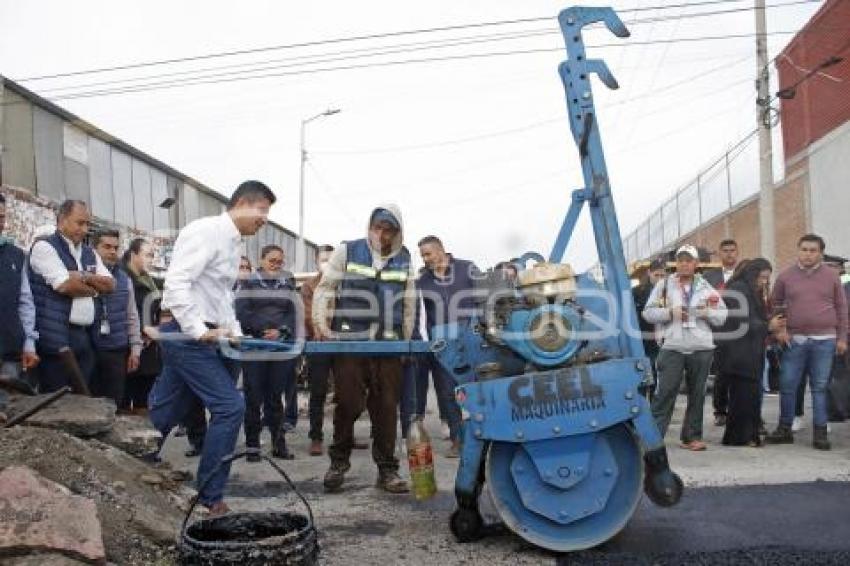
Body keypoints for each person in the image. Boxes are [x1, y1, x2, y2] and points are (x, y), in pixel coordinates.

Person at [148, 180, 276, 515]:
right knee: (230, 407)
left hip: (211, 334)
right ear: (243, 203)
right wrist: (194, 329)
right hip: (189, 335)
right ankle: (209, 496)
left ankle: (132, 462)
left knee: (166, 411)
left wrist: (234, 332)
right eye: (262, 210)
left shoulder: (233, 243)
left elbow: (219, 294)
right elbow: (176, 283)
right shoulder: (205, 231)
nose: (264, 219)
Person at [313, 204, 415, 494]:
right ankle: (338, 464)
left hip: (389, 344)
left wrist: (407, 341)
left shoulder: (405, 258)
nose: (380, 235)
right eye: (377, 228)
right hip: (350, 342)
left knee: (386, 408)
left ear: (396, 233)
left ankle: (387, 471)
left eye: (388, 230)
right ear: (370, 226)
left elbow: (409, 303)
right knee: (348, 404)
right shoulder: (347, 251)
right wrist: (320, 323)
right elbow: (326, 288)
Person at [766, 234, 848, 450]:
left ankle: (820, 433)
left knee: (820, 387)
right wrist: (780, 332)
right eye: (804, 249)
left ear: (820, 253)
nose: (808, 254)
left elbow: (841, 308)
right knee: (787, 385)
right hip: (795, 341)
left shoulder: (832, 276)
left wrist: (842, 338)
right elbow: (776, 306)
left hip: (825, 341)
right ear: (798, 250)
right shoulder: (785, 276)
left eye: (813, 250)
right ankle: (784, 429)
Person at [643, 244, 727, 451]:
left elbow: (722, 316)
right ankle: (653, 438)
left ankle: (691, 437)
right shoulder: (663, 285)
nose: (684, 264)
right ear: (676, 263)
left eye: (688, 260)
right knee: (665, 393)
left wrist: (706, 313)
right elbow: (648, 313)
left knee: (697, 394)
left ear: (696, 264)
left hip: (701, 347)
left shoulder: (707, 288)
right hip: (673, 346)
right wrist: (671, 313)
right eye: (680, 260)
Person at [29, 200, 115, 393]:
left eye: (87, 224)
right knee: (56, 397)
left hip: (84, 336)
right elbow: (65, 285)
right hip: (56, 337)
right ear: (62, 220)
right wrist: (95, 289)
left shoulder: (88, 252)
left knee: (81, 396)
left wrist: (85, 276)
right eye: (80, 223)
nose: (85, 230)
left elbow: (111, 285)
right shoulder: (45, 247)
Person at [416, 235, 481, 457]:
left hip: (471, 338)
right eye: (422, 256)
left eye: (428, 254)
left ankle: (484, 437)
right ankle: (458, 440)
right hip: (441, 343)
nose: (425, 259)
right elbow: (420, 315)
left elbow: (484, 299)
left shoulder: (467, 268)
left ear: (441, 250)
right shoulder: (422, 281)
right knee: (446, 392)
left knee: (476, 387)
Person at [235, 244, 298, 461]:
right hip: (255, 348)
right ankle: (252, 446)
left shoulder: (288, 284)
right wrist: (264, 330)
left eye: (280, 262)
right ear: (261, 260)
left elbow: (294, 313)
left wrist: (281, 331)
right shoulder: (248, 284)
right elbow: (242, 313)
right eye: (272, 261)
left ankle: (278, 443)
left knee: (275, 397)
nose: (276, 265)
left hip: (280, 348)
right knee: (253, 397)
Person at [716, 258, 783, 446]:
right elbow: (741, 321)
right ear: (752, 274)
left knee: (750, 396)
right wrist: (768, 326)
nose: (764, 282)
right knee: (743, 397)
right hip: (738, 353)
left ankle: (747, 436)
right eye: (762, 277)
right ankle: (740, 437)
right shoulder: (739, 289)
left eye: (767, 279)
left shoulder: (749, 290)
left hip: (748, 352)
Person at [90, 229, 143, 404]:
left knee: (114, 402)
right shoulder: (84, 274)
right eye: (107, 247)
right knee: (87, 401)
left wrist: (135, 349)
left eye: (115, 247)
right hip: (90, 348)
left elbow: (132, 315)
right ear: (94, 248)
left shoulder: (124, 279)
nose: (112, 251)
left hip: (116, 351)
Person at [0, 194, 40, 385]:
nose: (0, 222)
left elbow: (25, 302)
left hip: (10, 353)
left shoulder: (15, 255)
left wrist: (29, 343)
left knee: (13, 407)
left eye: (1, 217)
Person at [120, 238, 162, 415]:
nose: (151, 260)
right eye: (147, 255)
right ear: (133, 254)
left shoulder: (150, 281)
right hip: (127, 346)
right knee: (123, 398)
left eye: (152, 256)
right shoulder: (122, 278)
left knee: (143, 399)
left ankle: (141, 438)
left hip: (149, 347)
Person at [301, 244, 336, 456]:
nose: (327, 263)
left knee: (348, 392)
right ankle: (316, 437)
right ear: (316, 261)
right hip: (319, 343)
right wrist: (320, 330)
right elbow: (307, 313)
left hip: (344, 344)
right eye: (323, 259)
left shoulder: (344, 283)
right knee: (318, 392)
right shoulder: (309, 286)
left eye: (331, 259)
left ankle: (346, 436)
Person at [704, 239, 739, 427]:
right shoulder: (709, 277)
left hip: (741, 330)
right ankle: (720, 410)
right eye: (725, 250)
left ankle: (739, 409)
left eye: (732, 250)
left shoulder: (745, 274)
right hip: (718, 330)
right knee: (722, 372)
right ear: (719, 253)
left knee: (740, 372)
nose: (729, 254)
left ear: (738, 252)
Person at [632, 257, 667, 399]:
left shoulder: (670, 292)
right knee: (642, 375)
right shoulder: (636, 292)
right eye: (656, 275)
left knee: (659, 377)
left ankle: (654, 407)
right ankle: (640, 404)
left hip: (664, 341)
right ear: (649, 273)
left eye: (662, 275)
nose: (659, 278)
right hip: (643, 341)